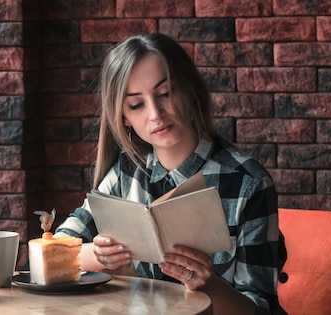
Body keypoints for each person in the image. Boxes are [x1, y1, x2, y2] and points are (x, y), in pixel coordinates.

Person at [54, 33, 286, 315]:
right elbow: (58, 250)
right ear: (124, 117)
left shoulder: (248, 182)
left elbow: (261, 309)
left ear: (189, 89)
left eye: (165, 94)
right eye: (137, 104)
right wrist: (99, 256)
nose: (155, 113)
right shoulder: (127, 172)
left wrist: (208, 284)